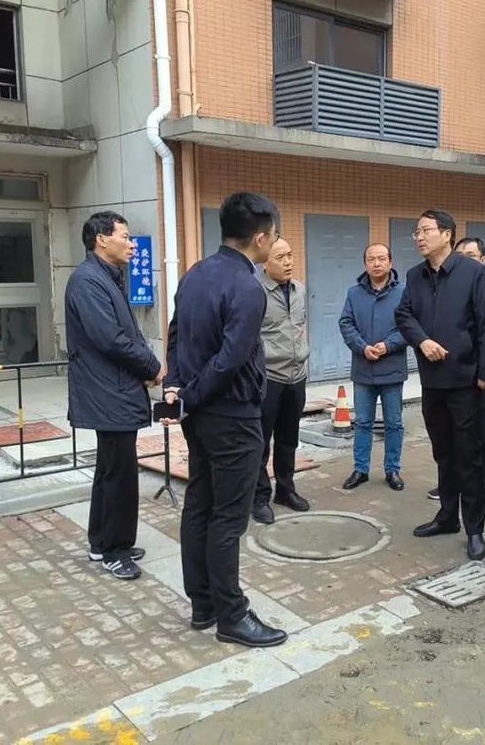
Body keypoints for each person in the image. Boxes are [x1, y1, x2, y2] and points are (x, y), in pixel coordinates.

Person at [162, 192, 287, 648]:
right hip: (232, 415)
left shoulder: (194, 274)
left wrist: (178, 387)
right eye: (274, 236)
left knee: (199, 503)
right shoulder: (248, 286)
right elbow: (232, 358)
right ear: (260, 238)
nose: (275, 244)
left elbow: (175, 336)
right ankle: (231, 615)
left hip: (199, 416)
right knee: (228, 518)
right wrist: (192, 393)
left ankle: (203, 604)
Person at [395, 210, 485, 561]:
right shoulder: (415, 276)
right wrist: (422, 340)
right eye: (416, 231)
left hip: (466, 381)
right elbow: (404, 314)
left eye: (425, 230)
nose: (419, 237)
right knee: (443, 451)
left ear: (447, 234)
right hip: (432, 382)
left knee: (468, 455)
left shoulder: (472, 272)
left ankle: (475, 529)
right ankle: (447, 517)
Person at [65, 211, 162, 581]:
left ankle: (101, 541)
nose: (131, 244)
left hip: (114, 389)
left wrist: (144, 367)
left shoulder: (106, 277)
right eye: (125, 236)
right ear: (101, 239)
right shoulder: (88, 282)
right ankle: (115, 551)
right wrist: (151, 367)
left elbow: (126, 334)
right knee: (120, 475)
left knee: (109, 469)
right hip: (108, 392)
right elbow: (112, 340)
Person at [427, 237, 485, 514]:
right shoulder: (447, 289)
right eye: (460, 255)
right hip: (451, 378)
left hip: (480, 380)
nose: (464, 260)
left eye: (471, 255)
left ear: (483, 260)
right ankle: (451, 486)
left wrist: (483, 370)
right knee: (450, 434)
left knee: (483, 434)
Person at [339, 243, 408, 491]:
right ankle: (361, 469)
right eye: (371, 259)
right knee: (362, 423)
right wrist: (362, 347)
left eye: (381, 258)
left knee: (394, 423)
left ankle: (392, 470)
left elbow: (410, 326)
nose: (376, 263)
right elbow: (346, 323)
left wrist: (388, 345)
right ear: (365, 264)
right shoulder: (354, 293)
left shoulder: (404, 292)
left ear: (390, 262)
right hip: (363, 369)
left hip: (392, 369)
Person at [252, 237, 311, 524]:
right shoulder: (255, 291)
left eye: (290, 255)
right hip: (269, 377)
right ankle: (259, 497)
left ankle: (286, 490)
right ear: (265, 261)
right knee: (260, 442)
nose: (288, 262)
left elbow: (299, 326)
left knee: (289, 439)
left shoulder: (299, 289)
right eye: (280, 257)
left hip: (296, 376)